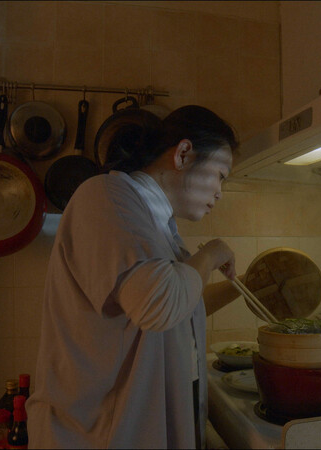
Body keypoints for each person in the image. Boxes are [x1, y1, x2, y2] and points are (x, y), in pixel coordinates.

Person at [26, 105, 243, 449]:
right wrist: (212, 253)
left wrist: (243, 288)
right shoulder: (106, 196)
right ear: (183, 154)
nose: (219, 191)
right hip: (96, 434)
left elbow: (180, 305)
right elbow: (161, 304)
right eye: (220, 175)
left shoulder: (155, 224)